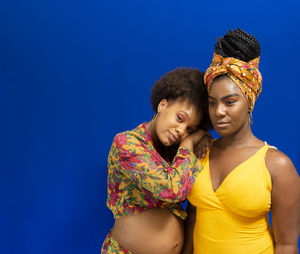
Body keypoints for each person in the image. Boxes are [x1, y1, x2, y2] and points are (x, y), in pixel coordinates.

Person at [182, 29, 300, 254]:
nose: (218, 112)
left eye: (229, 102)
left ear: (249, 102)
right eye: (212, 102)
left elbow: (287, 246)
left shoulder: (277, 166)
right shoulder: (201, 151)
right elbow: (193, 218)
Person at [101, 67, 212, 254]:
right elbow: (171, 189)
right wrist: (191, 141)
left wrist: (204, 136)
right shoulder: (126, 144)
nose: (181, 130)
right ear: (162, 105)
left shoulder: (174, 153)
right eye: (180, 118)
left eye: (189, 129)